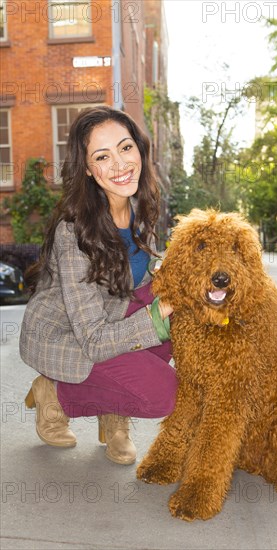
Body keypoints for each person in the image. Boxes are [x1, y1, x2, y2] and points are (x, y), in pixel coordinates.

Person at [19, 106, 178, 465]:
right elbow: (91, 337)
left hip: (114, 314)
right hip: (68, 335)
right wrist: (158, 314)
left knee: (178, 307)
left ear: (139, 148)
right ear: (88, 170)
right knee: (165, 396)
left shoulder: (141, 206)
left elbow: (142, 275)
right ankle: (54, 394)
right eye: (102, 156)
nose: (120, 164)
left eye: (125, 148)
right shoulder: (72, 232)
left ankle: (112, 412)